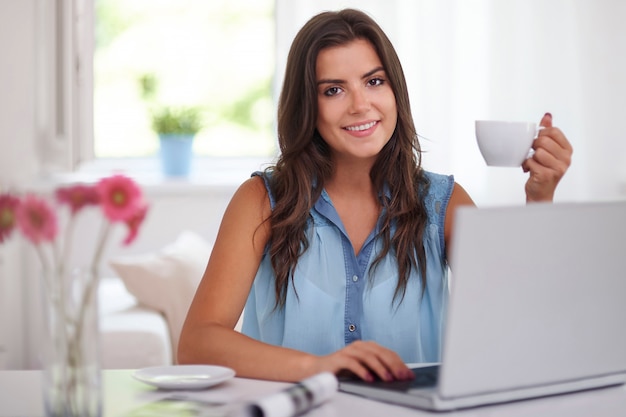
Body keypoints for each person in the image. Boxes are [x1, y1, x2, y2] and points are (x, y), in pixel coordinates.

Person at [178, 8, 572, 383]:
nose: (360, 105)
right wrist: (318, 366)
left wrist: (540, 199)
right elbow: (197, 343)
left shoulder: (443, 203)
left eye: (374, 81)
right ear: (307, 105)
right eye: (333, 90)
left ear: (394, 89)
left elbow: (518, 322)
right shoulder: (261, 201)